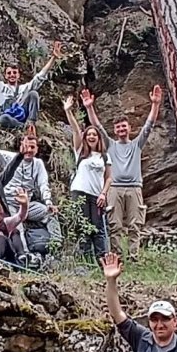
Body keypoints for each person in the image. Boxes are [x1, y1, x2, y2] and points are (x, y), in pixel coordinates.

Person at [82, 85, 163, 260]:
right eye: (118, 128)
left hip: (134, 188)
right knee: (115, 225)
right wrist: (89, 107)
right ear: (115, 130)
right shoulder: (110, 145)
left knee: (135, 225)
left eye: (124, 127)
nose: (121, 130)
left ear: (129, 128)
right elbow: (97, 126)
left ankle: (134, 256)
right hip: (115, 189)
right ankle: (117, 256)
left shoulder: (136, 145)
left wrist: (155, 104)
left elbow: (148, 126)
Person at [0, 112, 62, 254]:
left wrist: (48, 202)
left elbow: (43, 184)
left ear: (37, 149)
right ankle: (24, 255)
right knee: (17, 227)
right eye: (26, 146)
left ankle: (57, 247)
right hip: (10, 203)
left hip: (28, 204)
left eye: (32, 147)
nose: (29, 150)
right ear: (21, 146)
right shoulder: (10, 157)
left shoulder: (38, 163)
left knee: (50, 213)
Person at [0, 29, 63, 129]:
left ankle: (31, 124)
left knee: (33, 94)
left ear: (19, 75)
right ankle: (24, 128)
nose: (12, 75)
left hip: (22, 115)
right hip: (6, 116)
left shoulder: (24, 88)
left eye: (14, 73)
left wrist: (53, 58)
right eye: (9, 73)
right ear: (5, 76)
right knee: (3, 119)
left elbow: (40, 77)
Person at [63, 94, 111, 262]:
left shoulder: (104, 156)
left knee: (98, 228)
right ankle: (86, 261)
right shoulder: (80, 153)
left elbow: (109, 178)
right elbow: (76, 130)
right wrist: (68, 111)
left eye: (94, 135)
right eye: (89, 134)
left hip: (97, 196)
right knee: (83, 228)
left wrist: (103, 194)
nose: (91, 136)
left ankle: (102, 260)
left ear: (98, 138)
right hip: (80, 193)